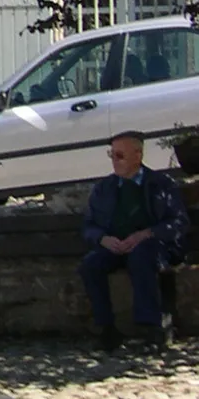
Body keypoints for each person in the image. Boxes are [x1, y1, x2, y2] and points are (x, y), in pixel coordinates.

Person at [80, 131, 188, 349]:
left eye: (119, 155)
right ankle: (106, 328)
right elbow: (89, 226)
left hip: (154, 245)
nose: (114, 160)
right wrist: (103, 239)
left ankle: (151, 327)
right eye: (112, 154)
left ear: (137, 155)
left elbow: (179, 222)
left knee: (141, 256)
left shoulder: (160, 184)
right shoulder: (104, 188)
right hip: (116, 246)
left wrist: (147, 233)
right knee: (91, 265)